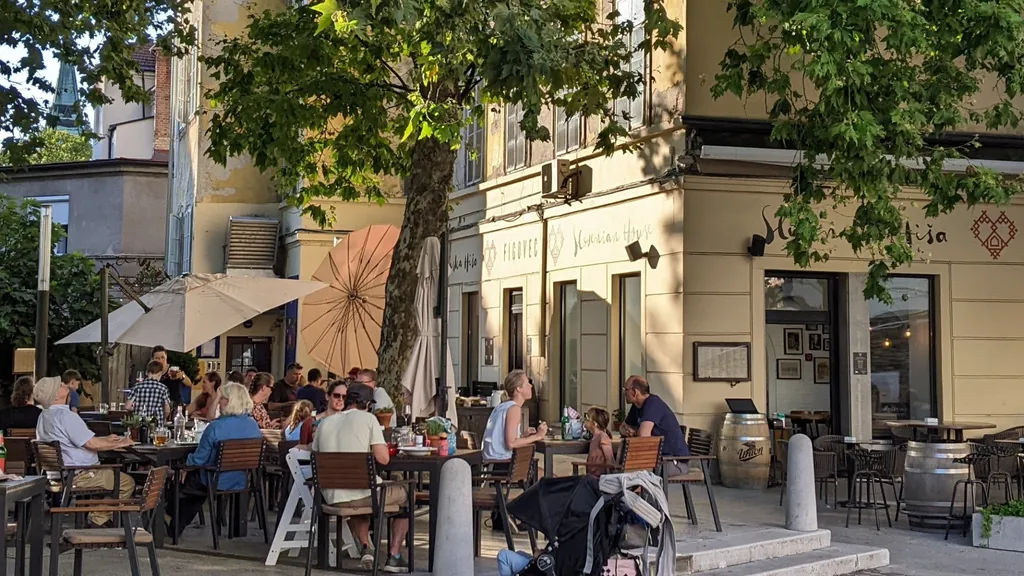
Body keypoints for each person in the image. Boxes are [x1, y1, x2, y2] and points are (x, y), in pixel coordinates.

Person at [312, 383, 410, 573]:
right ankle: (395, 556)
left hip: (331, 497)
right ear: (366, 404)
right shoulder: (368, 419)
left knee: (355, 499)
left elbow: (315, 453)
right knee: (407, 494)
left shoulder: (324, 422)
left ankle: (366, 547)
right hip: (361, 493)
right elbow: (383, 458)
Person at [34, 376, 136, 527]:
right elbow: (91, 444)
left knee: (111, 477)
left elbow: (79, 440)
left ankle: (100, 518)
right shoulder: (66, 416)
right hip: (80, 475)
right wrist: (122, 442)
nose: (64, 385)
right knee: (127, 482)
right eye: (60, 385)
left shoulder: (44, 416)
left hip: (58, 475)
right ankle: (97, 519)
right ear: (56, 395)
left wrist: (106, 439)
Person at [169, 383, 263, 537]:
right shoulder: (253, 425)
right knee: (191, 481)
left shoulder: (216, 427)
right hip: (241, 478)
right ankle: (174, 522)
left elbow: (198, 460)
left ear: (228, 401)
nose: (219, 402)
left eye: (221, 399)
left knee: (179, 478)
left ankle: (172, 522)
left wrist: (185, 466)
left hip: (214, 479)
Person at [619, 375, 690, 475]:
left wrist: (634, 433)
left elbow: (643, 437)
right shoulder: (637, 406)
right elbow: (622, 428)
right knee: (620, 465)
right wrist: (627, 431)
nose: (624, 393)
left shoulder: (653, 404)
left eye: (625, 389)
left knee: (631, 470)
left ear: (635, 392)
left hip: (672, 462)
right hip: (657, 459)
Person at [481, 370, 547, 462]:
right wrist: (538, 436)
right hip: (502, 464)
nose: (531, 386)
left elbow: (505, 440)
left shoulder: (501, 406)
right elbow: (511, 443)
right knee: (549, 475)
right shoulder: (514, 408)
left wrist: (524, 436)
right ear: (518, 389)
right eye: (527, 383)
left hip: (491, 464)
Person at [584, 407, 615, 476]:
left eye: (587, 418)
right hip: (592, 476)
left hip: (600, 478)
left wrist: (609, 478)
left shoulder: (602, 437)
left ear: (594, 424)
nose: (584, 420)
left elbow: (609, 458)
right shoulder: (595, 437)